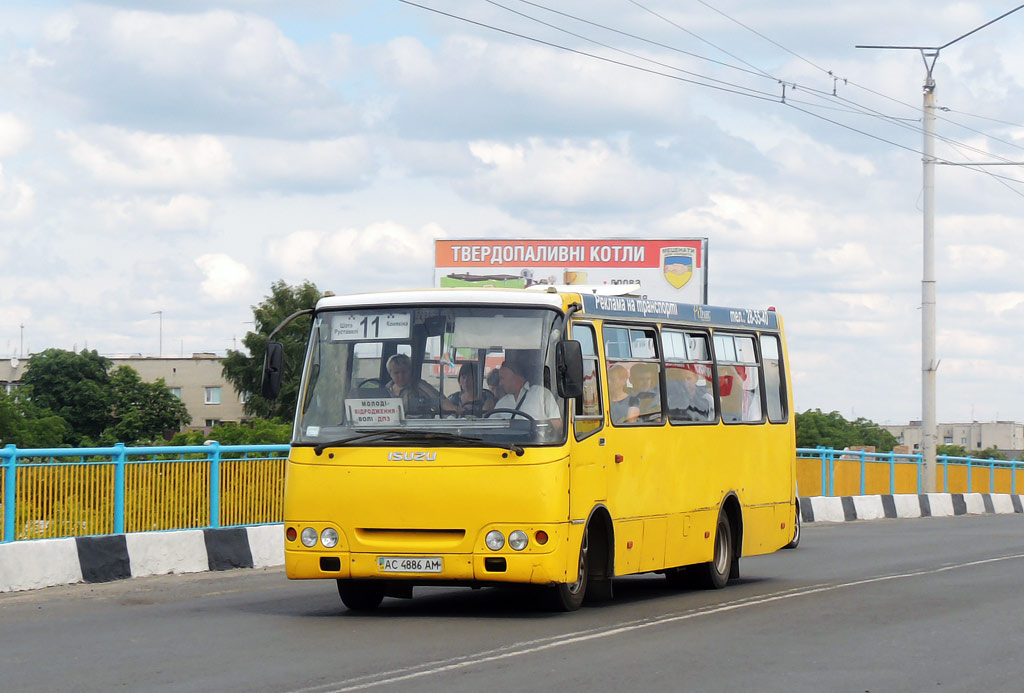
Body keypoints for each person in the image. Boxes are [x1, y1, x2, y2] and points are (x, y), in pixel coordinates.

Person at [492, 358, 562, 431]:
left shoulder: (541, 394)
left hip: (536, 441)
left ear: (515, 376)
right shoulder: (502, 402)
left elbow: (557, 425)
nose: (500, 383)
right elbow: (491, 428)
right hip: (506, 441)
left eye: (502, 378)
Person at [384, 353, 457, 417]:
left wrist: (454, 409)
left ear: (410, 371)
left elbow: (440, 401)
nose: (401, 376)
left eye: (404, 372)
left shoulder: (420, 386)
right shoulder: (385, 391)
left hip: (418, 430)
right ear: (390, 374)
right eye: (396, 373)